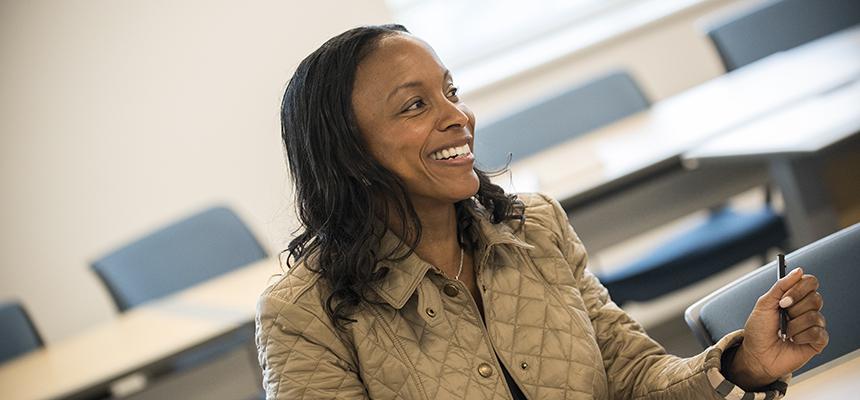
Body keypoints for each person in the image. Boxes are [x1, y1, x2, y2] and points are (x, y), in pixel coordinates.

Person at [255, 24, 828, 399]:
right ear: (349, 152)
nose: (458, 116)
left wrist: (740, 367)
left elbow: (631, 375)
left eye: (450, 91)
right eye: (415, 105)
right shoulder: (303, 314)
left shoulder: (534, 228)